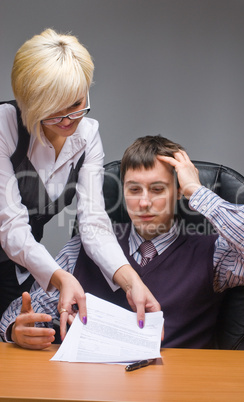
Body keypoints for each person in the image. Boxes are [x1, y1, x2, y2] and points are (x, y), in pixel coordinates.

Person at [1, 135, 244, 350]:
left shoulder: (212, 253)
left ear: (178, 191)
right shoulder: (85, 247)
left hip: (177, 388)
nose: (144, 202)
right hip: (94, 389)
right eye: (134, 190)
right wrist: (17, 330)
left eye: (157, 189)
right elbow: (19, 314)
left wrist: (197, 191)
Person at [0, 29, 160, 336]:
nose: (67, 121)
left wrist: (131, 280)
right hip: (14, 241)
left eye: (76, 104)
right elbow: (12, 226)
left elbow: (93, 223)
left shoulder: (87, 136)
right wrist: (61, 278)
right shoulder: (5, 125)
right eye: (51, 111)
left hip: (15, 263)